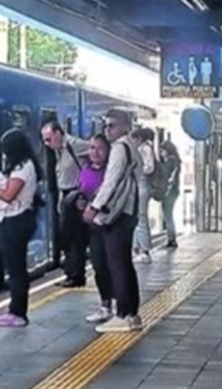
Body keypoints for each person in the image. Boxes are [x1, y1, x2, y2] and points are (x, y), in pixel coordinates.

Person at [83, 109, 142, 333]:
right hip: (128, 211)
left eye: (112, 125)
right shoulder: (131, 146)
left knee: (117, 264)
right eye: (106, 126)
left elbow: (112, 181)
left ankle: (123, 314)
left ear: (125, 126)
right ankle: (132, 315)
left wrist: (95, 207)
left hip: (118, 214)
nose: (108, 130)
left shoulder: (119, 148)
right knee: (125, 263)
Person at [0, 129, 41, 328]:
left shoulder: (24, 168)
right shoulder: (26, 165)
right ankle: (16, 310)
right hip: (15, 220)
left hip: (16, 221)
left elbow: (8, 195)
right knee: (16, 268)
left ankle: (18, 312)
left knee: (16, 269)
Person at [71, 134, 114, 323]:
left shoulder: (112, 172)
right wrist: (80, 202)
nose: (95, 152)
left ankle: (121, 305)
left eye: (100, 148)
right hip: (93, 224)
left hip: (111, 222)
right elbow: (83, 190)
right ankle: (105, 305)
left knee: (115, 265)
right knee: (98, 265)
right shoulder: (86, 170)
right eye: (92, 148)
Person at [41, 121, 89, 287]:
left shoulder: (75, 145)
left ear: (58, 133)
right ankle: (70, 272)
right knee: (67, 237)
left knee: (75, 237)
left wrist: (88, 186)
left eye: (48, 139)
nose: (47, 144)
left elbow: (98, 153)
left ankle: (77, 275)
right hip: (66, 195)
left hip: (76, 195)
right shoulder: (59, 150)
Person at [130, 128, 155, 263]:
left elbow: (150, 167)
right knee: (137, 217)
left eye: (134, 139)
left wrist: (135, 169)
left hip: (142, 184)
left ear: (140, 138)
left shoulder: (145, 149)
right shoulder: (141, 149)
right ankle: (136, 248)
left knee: (141, 217)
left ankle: (145, 250)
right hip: (138, 184)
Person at [158, 140, 181, 247]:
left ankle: (171, 239)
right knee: (168, 214)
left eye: (162, 151)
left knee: (168, 215)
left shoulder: (170, 162)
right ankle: (171, 237)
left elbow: (166, 175)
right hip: (174, 190)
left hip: (169, 191)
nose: (161, 153)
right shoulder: (175, 161)